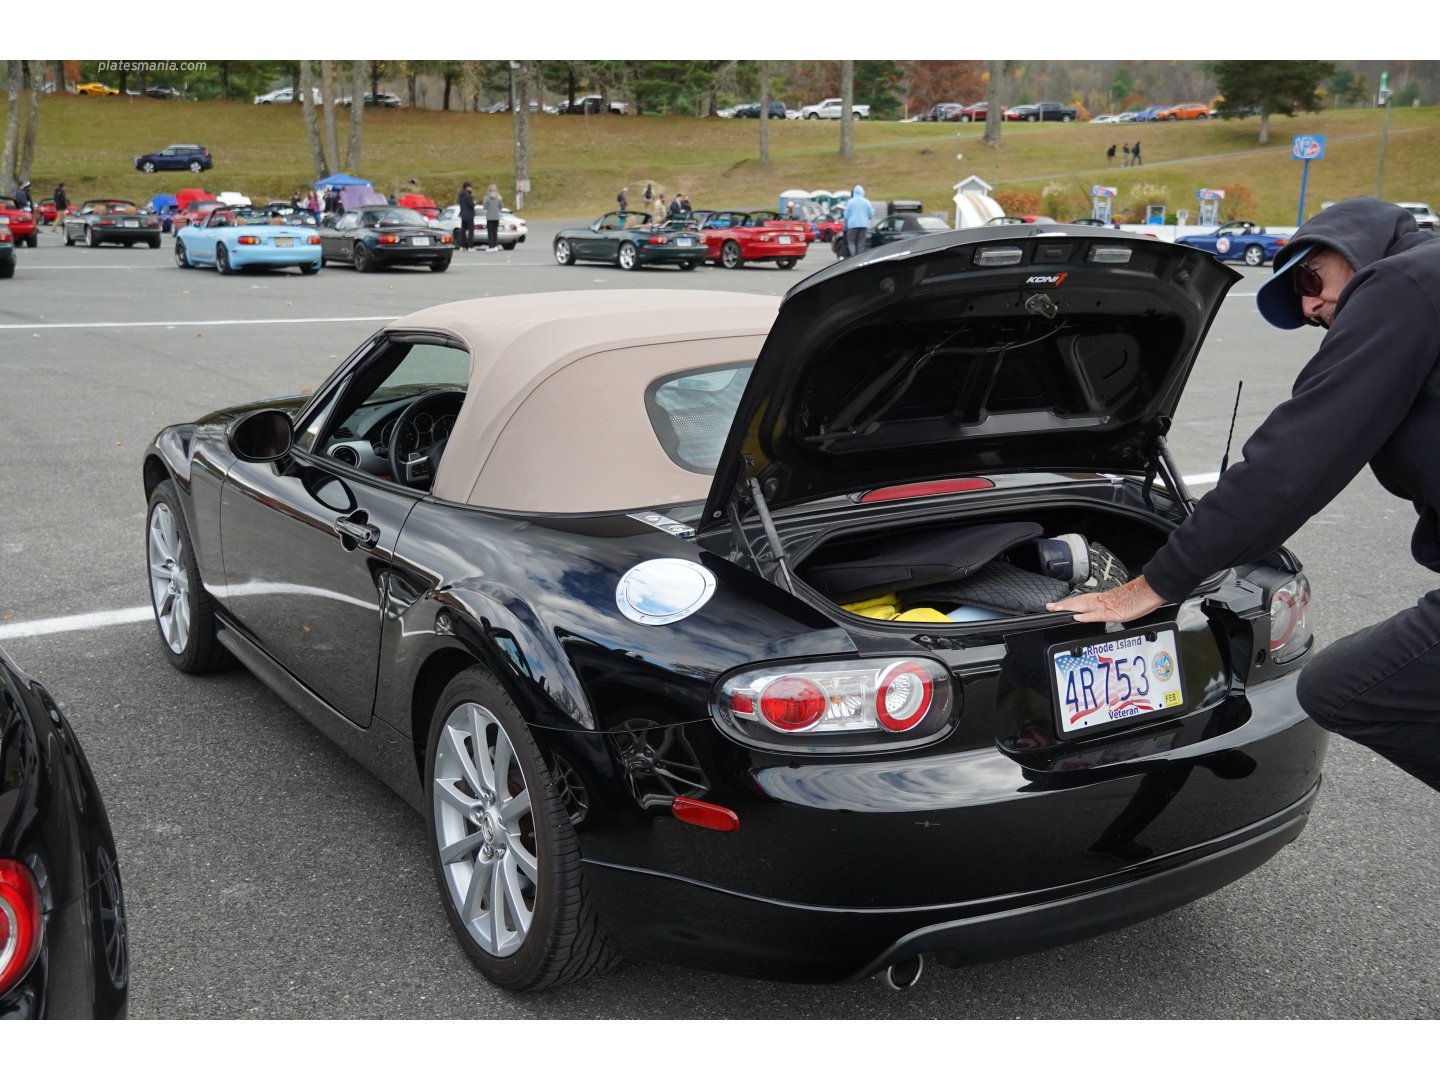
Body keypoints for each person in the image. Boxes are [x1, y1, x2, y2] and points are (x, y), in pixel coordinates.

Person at [1048, 197, 1440, 793]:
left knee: (1343, 688)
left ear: (1358, 243)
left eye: (1310, 278)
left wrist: (1155, 583)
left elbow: (1298, 458)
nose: (1312, 305)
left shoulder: (1404, 283)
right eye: (1303, 307)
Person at [842, 183, 874, 258]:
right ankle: (859, 259)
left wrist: (846, 226)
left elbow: (846, 215)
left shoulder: (850, 202)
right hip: (864, 226)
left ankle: (853, 257)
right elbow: (871, 213)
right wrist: (867, 218)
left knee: (851, 242)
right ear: (863, 192)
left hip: (852, 226)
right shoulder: (866, 202)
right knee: (861, 243)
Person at [483, 182, 503, 251]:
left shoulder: (487, 198)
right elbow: (501, 207)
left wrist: (485, 202)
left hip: (489, 217)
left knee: (490, 232)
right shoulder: (499, 198)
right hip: (497, 217)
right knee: (495, 232)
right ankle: (496, 246)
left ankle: (491, 246)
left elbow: (485, 207)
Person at [457, 181, 476, 250]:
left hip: (463, 215)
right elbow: (471, 205)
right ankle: (470, 246)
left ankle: (462, 246)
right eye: (470, 187)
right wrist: (474, 203)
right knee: (471, 231)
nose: (471, 189)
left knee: (463, 231)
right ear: (467, 188)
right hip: (469, 215)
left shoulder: (460, 195)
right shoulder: (468, 196)